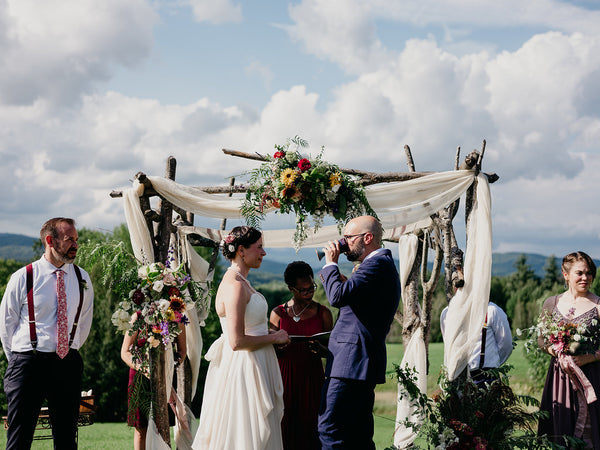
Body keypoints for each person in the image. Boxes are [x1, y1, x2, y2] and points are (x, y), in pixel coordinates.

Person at [192, 226, 290, 450]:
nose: (264, 253)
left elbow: (249, 326)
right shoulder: (235, 286)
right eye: (260, 247)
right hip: (245, 367)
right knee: (246, 433)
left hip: (256, 362)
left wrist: (270, 333)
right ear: (242, 251)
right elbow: (236, 341)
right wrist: (274, 339)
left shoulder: (241, 281)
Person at [0, 217, 94, 449]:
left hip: (67, 363)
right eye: (69, 239)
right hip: (27, 363)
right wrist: (19, 360)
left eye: (76, 239)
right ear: (50, 241)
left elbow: (84, 322)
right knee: (19, 439)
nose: (75, 245)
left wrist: (69, 349)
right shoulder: (24, 276)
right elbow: (6, 324)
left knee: (66, 439)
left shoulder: (82, 278)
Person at [317, 215, 401, 449]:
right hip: (357, 363)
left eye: (348, 238)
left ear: (368, 237)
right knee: (357, 435)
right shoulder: (377, 266)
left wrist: (330, 264)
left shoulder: (377, 264)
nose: (343, 243)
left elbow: (337, 297)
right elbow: (354, 301)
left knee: (330, 429)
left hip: (350, 363)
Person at [538, 251, 600, 448]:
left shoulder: (598, 305)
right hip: (559, 379)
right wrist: (558, 353)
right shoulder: (551, 303)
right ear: (566, 275)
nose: (586, 278)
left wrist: (587, 359)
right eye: (580, 273)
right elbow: (541, 340)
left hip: (590, 377)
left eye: (589, 273)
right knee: (560, 432)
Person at [270, 261, 333, 450]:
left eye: (311, 287)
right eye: (303, 290)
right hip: (284, 377)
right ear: (291, 288)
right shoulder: (278, 314)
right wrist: (278, 348)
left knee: (312, 428)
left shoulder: (323, 313)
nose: (309, 293)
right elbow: (268, 348)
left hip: (312, 377)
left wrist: (321, 350)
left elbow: (332, 350)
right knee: (284, 428)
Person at [121, 326, 186, 450]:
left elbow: (182, 351)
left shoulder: (176, 317)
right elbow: (125, 352)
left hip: (165, 378)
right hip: (139, 377)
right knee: (141, 428)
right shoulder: (137, 317)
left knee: (162, 426)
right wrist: (144, 368)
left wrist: (169, 367)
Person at [440, 300, 513, 384]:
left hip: (486, 378)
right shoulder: (447, 313)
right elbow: (448, 347)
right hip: (458, 378)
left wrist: (492, 363)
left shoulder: (492, 311)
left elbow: (506, 346)